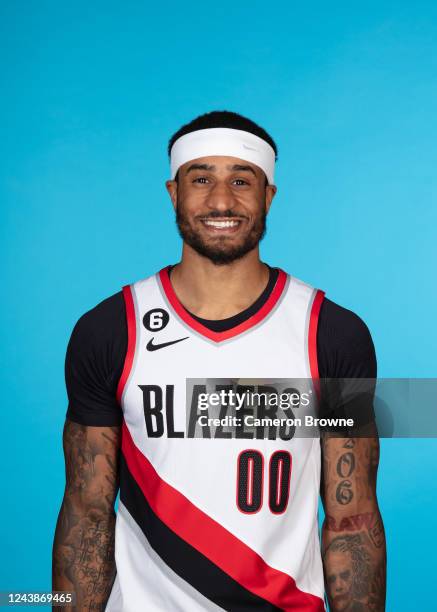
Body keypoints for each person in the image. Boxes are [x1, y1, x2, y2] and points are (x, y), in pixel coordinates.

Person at [52, 110, 386, 611]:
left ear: (269, 195)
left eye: (241, 179)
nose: (221, 200)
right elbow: (87, 514)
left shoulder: (332, 334)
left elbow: (352, 521)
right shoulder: (110, 330)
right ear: (173, 192)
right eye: (201, 178)